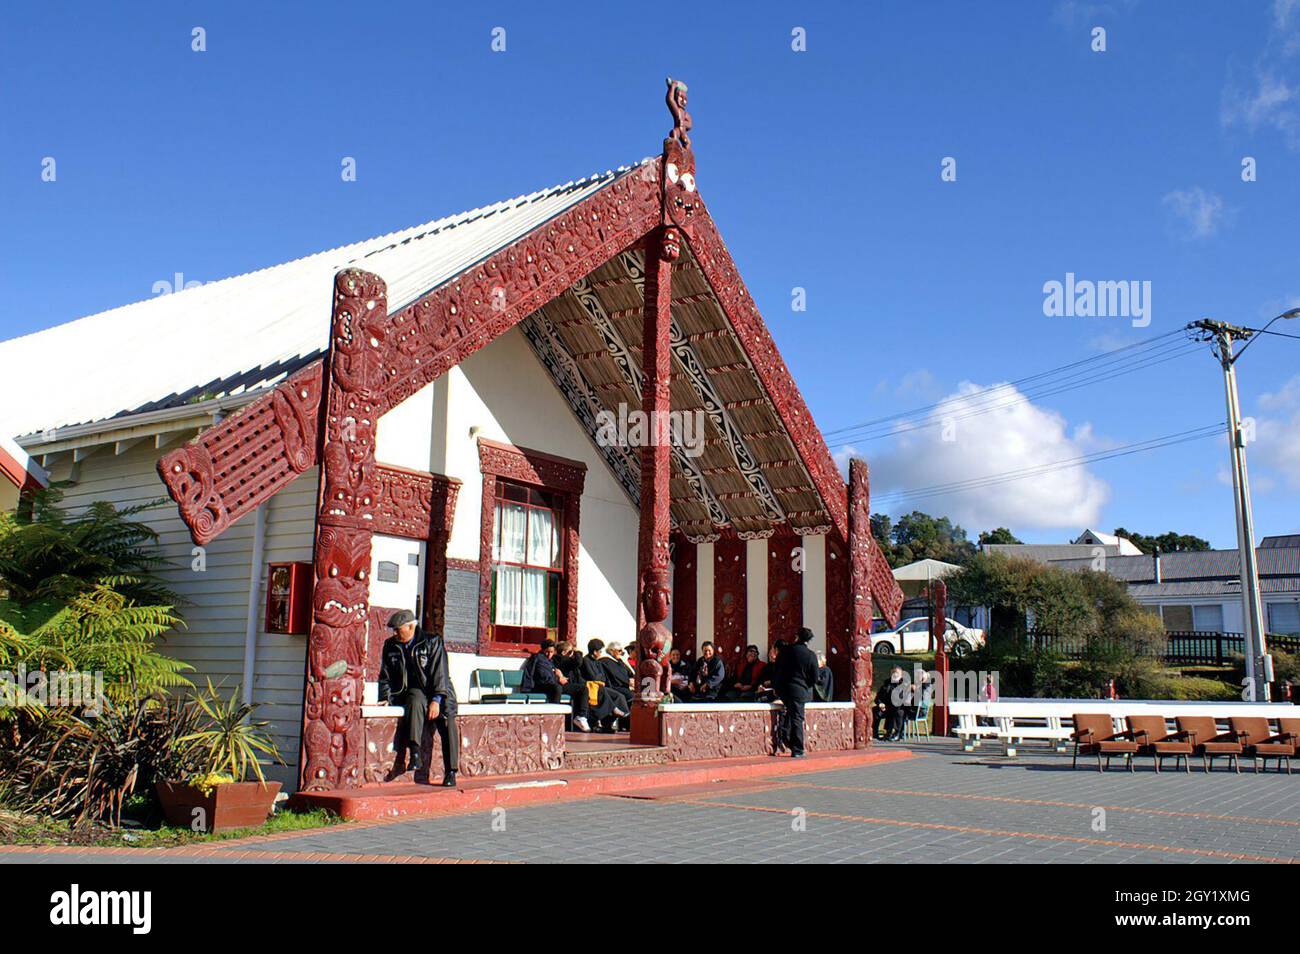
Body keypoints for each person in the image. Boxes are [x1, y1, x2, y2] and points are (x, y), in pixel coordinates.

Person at [376, 609, 459, 786]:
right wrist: (384, 697)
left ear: (411, 627)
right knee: (414, 700)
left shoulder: (432, 641)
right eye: (394, 630)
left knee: (447, 723)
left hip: (439, 690)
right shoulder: (390, 646)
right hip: (413, 692)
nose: (395, 633)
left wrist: (437, 700)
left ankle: (451, 771)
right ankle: (414, 753)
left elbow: (440, 673)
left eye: (398, 629)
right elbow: (385, 675)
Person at [522, 639, 591, 732]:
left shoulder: (551, 660)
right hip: (542, 685)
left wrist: (559, 674)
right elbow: (544, 676)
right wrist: (558, 678)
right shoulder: (538, 658)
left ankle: (581, 716)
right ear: (543, 650)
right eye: (547, 652)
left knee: (582, 689)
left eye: (551, 652)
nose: (549, 654)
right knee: (557, 688)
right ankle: (554, 718)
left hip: (555, 684)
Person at [773, 627, 820, 758]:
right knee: (797, 718)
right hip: (799, 690)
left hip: (784, 689)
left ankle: (786, 738)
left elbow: (777, 670)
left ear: (797, 637)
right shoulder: (810, 655)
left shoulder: (786, 651)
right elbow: (815, 677)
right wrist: (805, 685)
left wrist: (777, 687)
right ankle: (797, 749)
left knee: (790, 713)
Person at [581, 639, 630, 729]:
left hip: (601, 686)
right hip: (592, 687)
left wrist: (599, 677)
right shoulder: (586, 661)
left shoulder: (597, 661)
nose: (601, 653)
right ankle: (614, 711)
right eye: (600, 651)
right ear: (595, 652)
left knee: (619, 696)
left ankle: (620, 719)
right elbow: (593, 677)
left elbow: (603, 677)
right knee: (606, 693)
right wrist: (599, 677)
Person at [874, 666, 907, 741]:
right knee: (876, 711)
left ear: (901, 675)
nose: (895, 674)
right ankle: (875, 732)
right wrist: (880, 704)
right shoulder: (886, 684)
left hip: (899, 708)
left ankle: (896, 733)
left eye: (897, 673)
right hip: (886, 707)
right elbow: (878, 698)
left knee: (898, 712)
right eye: (893, 672)